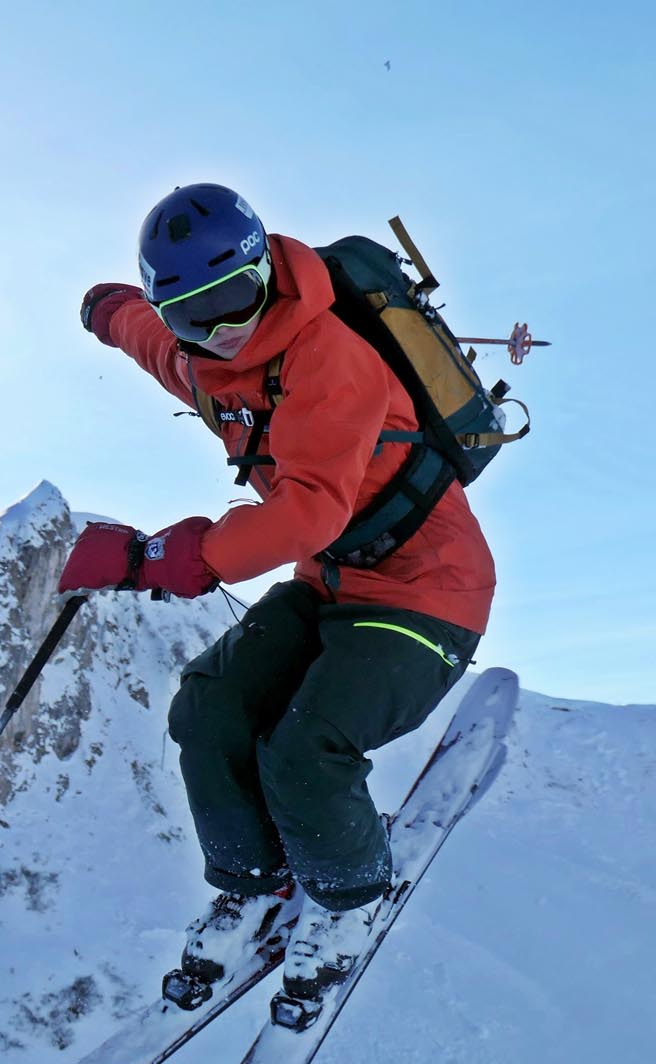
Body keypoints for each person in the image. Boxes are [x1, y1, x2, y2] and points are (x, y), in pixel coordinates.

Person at [57, 183, 495, 1002]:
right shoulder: (201, 361)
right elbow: (150, 341)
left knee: (303, 753)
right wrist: (105, 310)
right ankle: (253, 881)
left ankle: (351, 899)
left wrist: (159, 557)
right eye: (197, 312)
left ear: (266, 270)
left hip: (428, 591)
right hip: (332, 585)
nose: (226, 326)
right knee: (209, 710)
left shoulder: (332, 361)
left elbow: (306, 512)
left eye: (237, 297)